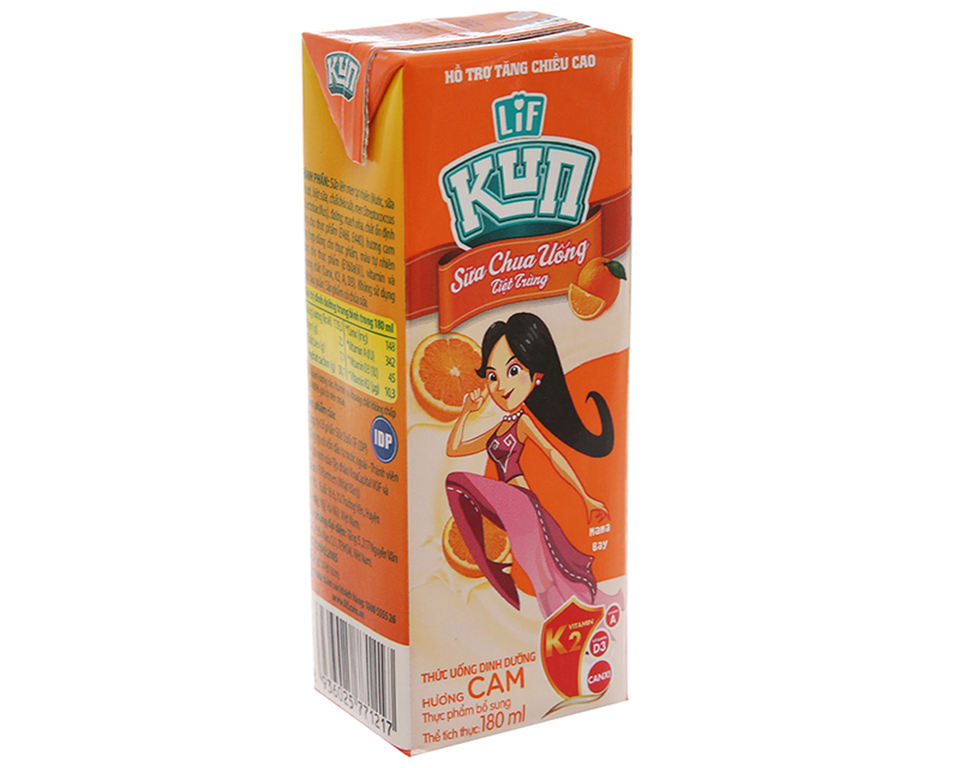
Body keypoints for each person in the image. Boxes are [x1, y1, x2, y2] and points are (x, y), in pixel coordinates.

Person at [445, 312, 622, 618]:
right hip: (509, 506)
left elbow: (553, 456)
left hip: (522, 502)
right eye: (492, 376)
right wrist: (466, 412)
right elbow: (455, 448)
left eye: (513, 371)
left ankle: (564, 619)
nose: (500, 386)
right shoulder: (500, 427)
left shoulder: (523, 423)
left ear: (536, 376)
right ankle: (497, 572)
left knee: (542, 576)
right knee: (457, 482)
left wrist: (586, 498)